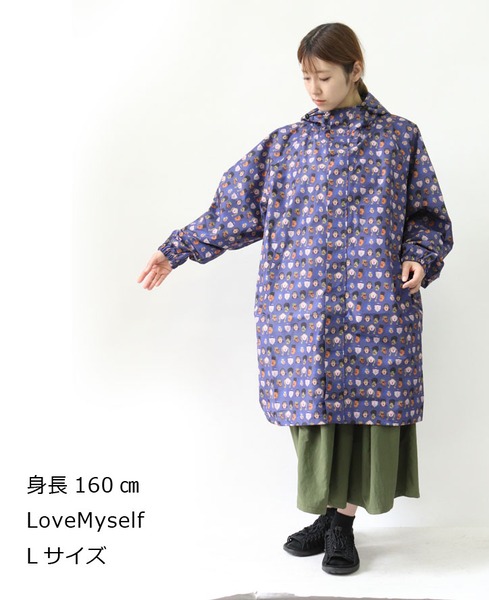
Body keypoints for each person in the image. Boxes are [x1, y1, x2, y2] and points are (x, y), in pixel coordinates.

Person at [137, 22, 454, 576]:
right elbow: (233, 211)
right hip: (302, 310)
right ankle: (329, 517)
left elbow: (428, 215)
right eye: (305, 77)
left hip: (376, 308)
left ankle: (342, 526)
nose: (313, 89)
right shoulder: (286, 145)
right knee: (314, 416)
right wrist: (176, 248)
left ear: (355, 70)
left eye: (324, 77)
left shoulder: (399, 138)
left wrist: (420, 255)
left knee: (365, 417)